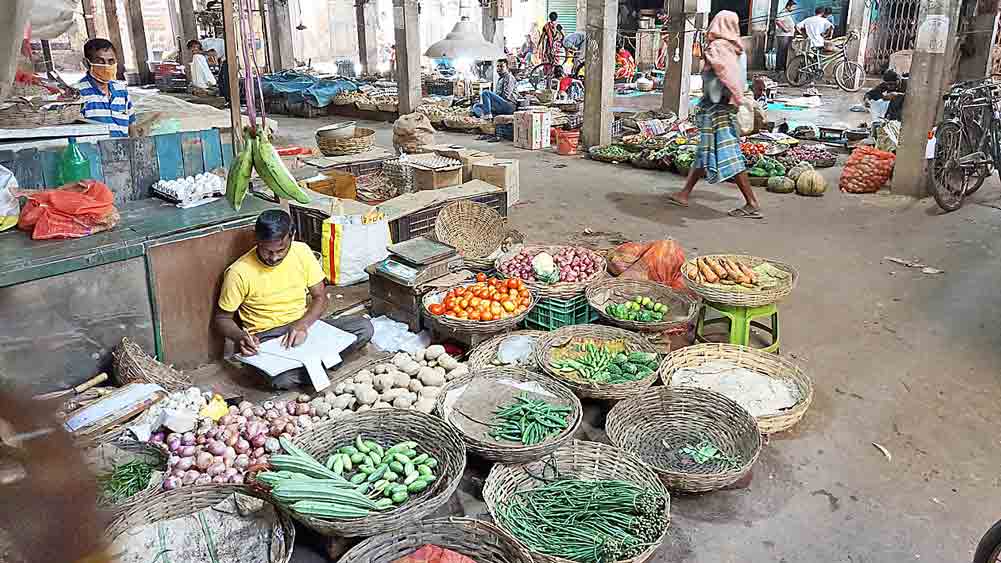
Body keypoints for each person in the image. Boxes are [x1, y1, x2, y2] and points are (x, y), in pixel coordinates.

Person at [214, 210, 374, 390]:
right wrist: (241, 336)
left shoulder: (302, 252)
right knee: (280, 379)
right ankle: (322, 362)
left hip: (305, 327)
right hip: (267, 338)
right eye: (267, 251)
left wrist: (303, 324)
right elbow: (222, 319)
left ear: (292, 236)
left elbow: (320, 297)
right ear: (256, 239)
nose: (273, 258)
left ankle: (313, 365)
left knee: (364, 327)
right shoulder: (238, 272)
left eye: (281, 250)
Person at [667, 11, 761, 219]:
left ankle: (752, 202)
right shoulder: (736, 48)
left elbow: (726, 73)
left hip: (719, 108)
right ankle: (684, 193)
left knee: (730, 154)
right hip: (718, 107)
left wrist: (735, 96)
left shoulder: (718, 47)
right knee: (704, 151)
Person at [75, 38, 134, 138]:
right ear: (86, 63)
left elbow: (131, 126)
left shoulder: (121, 90)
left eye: (111, 61)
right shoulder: (78, 93)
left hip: (123, 150)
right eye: (100, 61)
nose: (107, 66)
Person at [774, 0, 797, 75]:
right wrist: (785, 29)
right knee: (782, 51)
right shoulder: (783, 12)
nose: (793, 9)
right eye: (793, 7)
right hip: (783, 35)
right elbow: (777, 21)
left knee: (784, 51)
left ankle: (782, 68)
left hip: (787, 35)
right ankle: (779, 68)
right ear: (788, 6)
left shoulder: (787, 13)